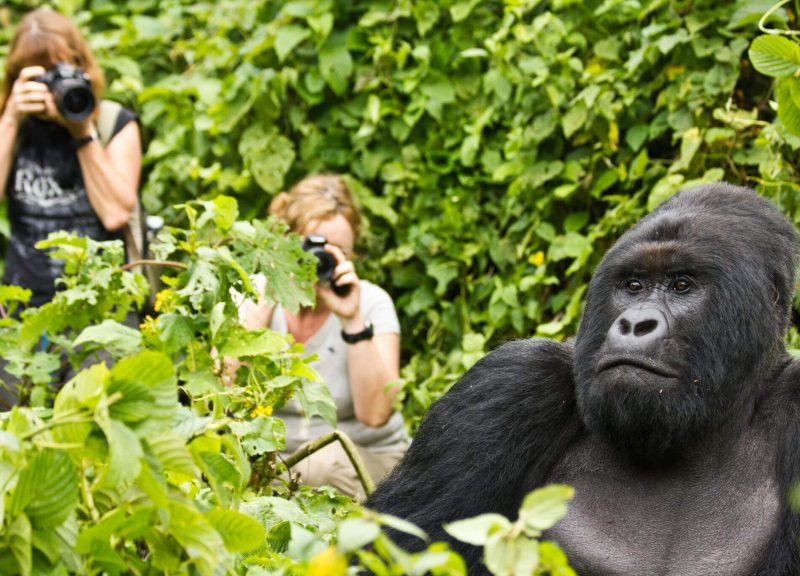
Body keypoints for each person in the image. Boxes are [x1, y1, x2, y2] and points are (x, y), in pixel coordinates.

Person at [241, 174, 408, 500]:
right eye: (312, 247)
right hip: (275, 462)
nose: (321, 261)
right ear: (286, 242)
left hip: (366, 460)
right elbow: (223, 387)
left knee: (324, 464)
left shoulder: (371, 303)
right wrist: (274, 291)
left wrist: (351, 319)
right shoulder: (253, 295)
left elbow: (376, 415)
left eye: (338, 250)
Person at [0, 8, 141, 308]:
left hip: (104, 304)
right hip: (22, 304)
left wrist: (82, 130)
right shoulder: (10, 125)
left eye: (61, 74)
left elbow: (115, 213)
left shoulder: (114, 122)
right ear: (18, 77)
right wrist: (11, 118)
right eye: (42, 77)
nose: (54, 89)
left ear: (82, 68)